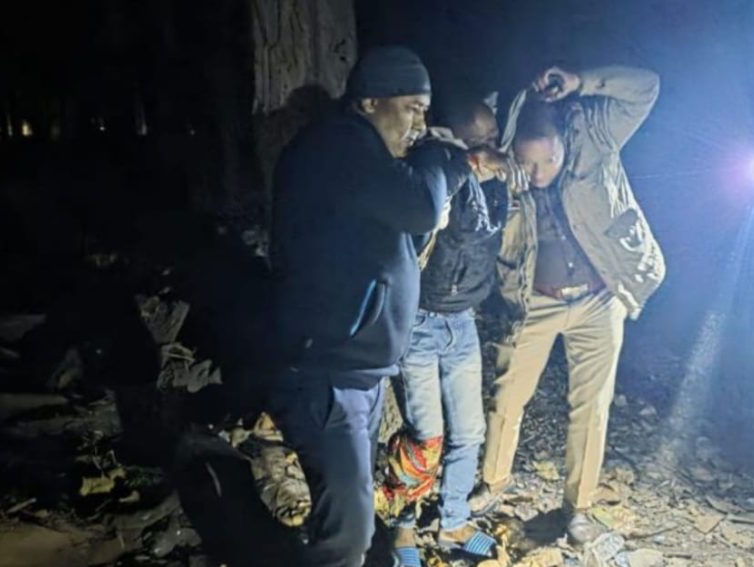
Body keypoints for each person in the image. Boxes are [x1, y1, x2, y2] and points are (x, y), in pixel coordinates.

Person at [269, 46, 514, 567]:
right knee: (349, 532)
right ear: (369, 102)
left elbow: (412, 225)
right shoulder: (339, 147)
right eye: (412, 109)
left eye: (425, 111)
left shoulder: (365, 157)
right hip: (329, 371)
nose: (420, 125)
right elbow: (421, 208)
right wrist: (449, 158)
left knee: (350, 509)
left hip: (357, 369)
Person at [469, 66, 666, 546]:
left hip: (600, 297)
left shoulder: (596, 136)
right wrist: (485, 159)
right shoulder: (503, 157)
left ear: (564, 143)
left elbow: (647, 87)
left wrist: (584, 81)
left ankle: (577, 507)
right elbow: (448, 145)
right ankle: (492, 483)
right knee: (506, 396)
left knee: (591, 406)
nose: (538, 175)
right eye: (528, 163)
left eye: (549, 161)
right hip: (536, 300)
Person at [380, 98, 523, 566]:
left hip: (463, 321)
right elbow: (437, 209)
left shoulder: (493, 180)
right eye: (480, 140)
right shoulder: (432, 166)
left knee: (470, 431)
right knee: (425, 436)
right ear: (454, 138)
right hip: (420, 320)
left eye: (495, 137)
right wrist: (474, 162)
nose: (494, 148)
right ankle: (402, 527)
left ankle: (453, 522)